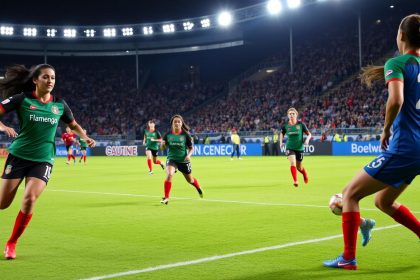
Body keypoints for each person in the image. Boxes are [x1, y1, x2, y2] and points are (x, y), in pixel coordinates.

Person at [324, 14, 420, 270]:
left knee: (349, 194)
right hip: (418, 151)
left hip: (404, 147)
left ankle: (348, 258)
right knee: (383, 202)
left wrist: (386, 129)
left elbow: (396, 100)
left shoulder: (397, 63)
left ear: (401, 35)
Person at [0, 64, 96, 260]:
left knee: (29, 199)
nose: (50, 81)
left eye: (52, 77)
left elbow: (73, 124)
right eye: (45, 77)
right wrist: (2, 126)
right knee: (3, 204)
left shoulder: (59, 104)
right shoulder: (23, 99)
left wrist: (84, 137)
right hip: (18, 156)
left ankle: (12, 243)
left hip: (43, 159)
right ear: (35, 80)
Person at [160, 115, 203, 205]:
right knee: (169, 174)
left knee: (190, 180)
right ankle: (166, 198)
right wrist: (163, 144)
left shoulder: (185, 135)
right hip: (172, 159)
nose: (177, 123)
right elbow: (162, 148)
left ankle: (198, 187)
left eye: (179, 122)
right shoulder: (168, 134)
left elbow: (191, 148)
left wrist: (189, 155)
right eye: (175, 121)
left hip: (183, 161)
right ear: (172, 123)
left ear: (181, 123)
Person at [279, 108, 311, 187]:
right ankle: (295, 180)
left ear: (296, 115)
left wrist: (307, 140)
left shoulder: (301, 124)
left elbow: (309, 134)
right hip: (289, 147)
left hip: (299, 148)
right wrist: (281, 143)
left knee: (299, 167)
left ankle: (304, 174)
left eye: (293, 113)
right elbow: (281, 134)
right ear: (288, 115)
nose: (291, 115)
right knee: (292, 162)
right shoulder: (286, 126)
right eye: (290, 114)